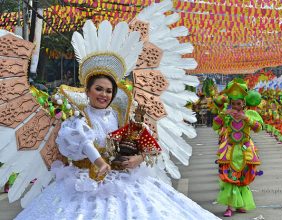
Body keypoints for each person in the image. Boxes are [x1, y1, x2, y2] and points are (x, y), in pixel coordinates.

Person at [15, 72, 220, 220]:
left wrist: (136, 159)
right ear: (87, 91)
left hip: (122, 178)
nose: (104, 94)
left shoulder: (119, 116)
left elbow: (143, 143)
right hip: (83, 181)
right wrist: (99, 162)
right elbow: (84, 142)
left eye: (108, 91)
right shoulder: (77, 119)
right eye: (99, 89)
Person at [212, 80, 263, 217]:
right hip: (229, 150)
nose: (235, 107)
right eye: (233, 103)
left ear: (244, 103)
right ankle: (229, 206)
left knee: (242, 177)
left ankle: (240, 204)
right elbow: (215, 126)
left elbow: (258, 128)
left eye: (238, 104)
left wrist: (246, 118)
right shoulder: (226, 113)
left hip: (244, 150)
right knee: (229, 178)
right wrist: (223, 114)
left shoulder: (250, 114)